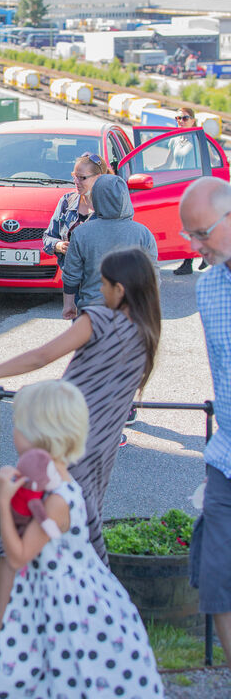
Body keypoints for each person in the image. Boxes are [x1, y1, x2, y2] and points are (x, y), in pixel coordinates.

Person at [0, 247, 161, 670]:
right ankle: (98, 636)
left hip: (61, 445)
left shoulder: (98, 319)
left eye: (104, 284)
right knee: (81, 538)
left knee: (19, 530)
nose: (99, 291)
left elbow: (41, 356)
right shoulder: (146, 335)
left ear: (120, 290)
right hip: (98, 452)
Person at [0, 379, 164, 699]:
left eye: (18, 426)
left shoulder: (57, 500)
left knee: (58, 668)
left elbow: (19, 556)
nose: (14, 433)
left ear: (41, 436)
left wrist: (3, 501)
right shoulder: (57, 484)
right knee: (47, 666)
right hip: (57, 592)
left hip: (63, 600)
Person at [180, 176, 231, 667]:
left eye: (202, 233)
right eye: (189, 236)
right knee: (218, 586)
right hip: (226, 464)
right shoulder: (208, 288)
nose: (195, 247)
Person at [62, 172, 158, 320]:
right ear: (125, 198)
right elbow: (152, 276)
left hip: (92, 312)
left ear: (96, 198)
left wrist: (69, 304)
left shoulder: (81, 233)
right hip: (132, 312)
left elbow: (71, 274)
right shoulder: (143, 233)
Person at [42, 151, 109, 268]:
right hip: (70, 274)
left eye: (82, 178)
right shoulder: (66, 201)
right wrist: (59, 245)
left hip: (99, 275)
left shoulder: (110, 206)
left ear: (98, 178)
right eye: (74, 176)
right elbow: (48, 237)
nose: (76, 182)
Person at [167, 107, 207, 275]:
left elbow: (210, 161)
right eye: (178, 118)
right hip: (179, 187)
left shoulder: (198, 139)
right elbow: (167, 164)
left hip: (194, 188)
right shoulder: (173, 140)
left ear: (193, 120)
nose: (181, 121)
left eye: (185, 118)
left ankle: (188, 261)